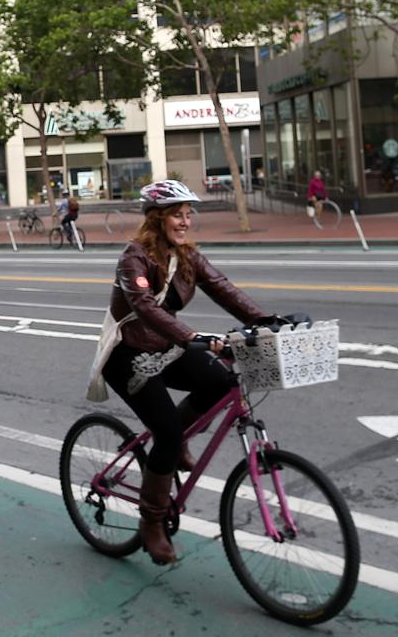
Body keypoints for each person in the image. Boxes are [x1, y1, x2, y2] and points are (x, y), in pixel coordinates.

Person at [86, 179, 274, 566]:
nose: (185, 221)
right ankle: (151, 523)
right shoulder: (133, 258)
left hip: (168, 344)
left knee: (221, 382)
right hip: (130, 352)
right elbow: (145, 307)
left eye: (189, 214)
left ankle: (177, 442)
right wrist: (190, 336)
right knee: (167, 431)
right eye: (177, 214)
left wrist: (266, 319)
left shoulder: (187, 256)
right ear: (157, 219)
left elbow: (222, 287)